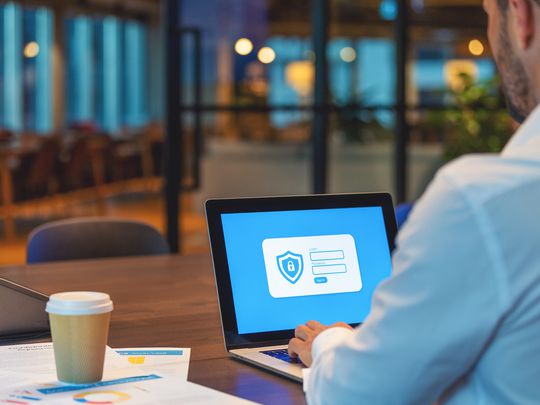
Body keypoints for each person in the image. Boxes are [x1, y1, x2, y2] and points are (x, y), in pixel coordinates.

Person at [288, 0, 540, 403]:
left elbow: (359, 395)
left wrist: (330, 342)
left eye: (489, 15)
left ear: (521, 16)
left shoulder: (484, 200)